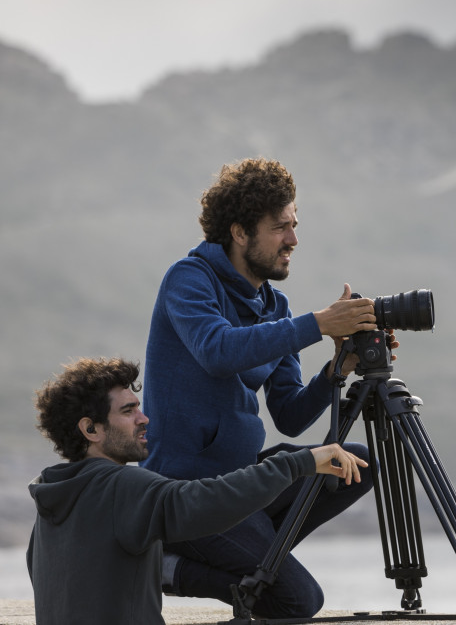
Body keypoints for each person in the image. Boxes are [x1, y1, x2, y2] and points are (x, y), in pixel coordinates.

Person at [140, 157, 391, 618]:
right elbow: (218, 350)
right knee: (297, 600)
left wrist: (336, 367)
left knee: (360, 461)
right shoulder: (189, 279)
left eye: (294, 225)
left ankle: (249, 551)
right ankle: (169, 566)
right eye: (280, 228)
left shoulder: (276, 305)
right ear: (239, 233)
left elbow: (290, 414)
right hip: (184, 492)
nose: (294, 240)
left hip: (241, 481)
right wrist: (317, 324)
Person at [27, 357, 368, 625]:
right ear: (90, 428)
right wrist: (298, 463)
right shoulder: (122, 486)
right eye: (128, 411)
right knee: (296, 599)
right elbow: (206, 502)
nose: (144, 419)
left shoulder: (48, 509)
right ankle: (177, 568)